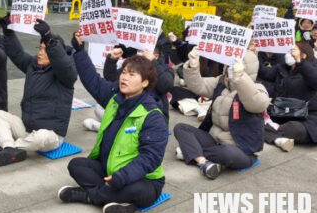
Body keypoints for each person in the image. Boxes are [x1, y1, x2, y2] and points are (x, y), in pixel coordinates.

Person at [59, 32, 167, 213]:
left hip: (143, 180)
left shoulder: (152, 115)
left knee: (138, 189)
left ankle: (89, 196)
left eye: (132, 75)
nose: (124, 77)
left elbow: (150, 158)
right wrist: (79, 50)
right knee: (76, 165)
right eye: (123, 72)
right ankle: (117, 199)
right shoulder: (114, 99)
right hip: (110, 169)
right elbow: (92, 80)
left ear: (145, 82)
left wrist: (122, 177)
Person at [0, 16, 77, 166]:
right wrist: (8, 31)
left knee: (41, 137)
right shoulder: (32, 65)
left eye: (45, 50)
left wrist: (48, 38)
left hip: (51, 135)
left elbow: (63, 65)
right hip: (28, 129)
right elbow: (17, 54)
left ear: (56, 53)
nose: (40, 53)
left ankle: (9, 146)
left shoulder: (66, 75)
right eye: (40, 48)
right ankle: (10, 148)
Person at [173, 47, 270, 179]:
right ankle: (203, 162)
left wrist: (240, 78)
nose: (230, 67)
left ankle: (192, 153)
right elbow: (198, 86)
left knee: (227, 154)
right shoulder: (221, 82)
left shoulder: (257, 88)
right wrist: (192, 66)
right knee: (181, 128)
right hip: (214, 140)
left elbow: (258, 104)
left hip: (240, 148)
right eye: (229, 64)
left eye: (235, 65)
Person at [259, 42, 317, 151]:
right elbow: (264, 73)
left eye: (293, 51)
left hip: (308, 117)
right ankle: (277, 138)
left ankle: (271, 133)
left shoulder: (312, 67)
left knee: (293, 128)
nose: (288, 54)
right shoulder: (282, 68)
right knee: (254, 119)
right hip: (282, 113)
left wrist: (300, 63)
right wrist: (253, 56)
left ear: (304, 54)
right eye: (288, 51)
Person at [102, 44, 174, 123]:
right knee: (102, 108)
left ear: (155, 56)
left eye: (144, 52)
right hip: (129, 111)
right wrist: (112, 59)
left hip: (151, 118)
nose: (140, 55)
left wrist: (153, 62)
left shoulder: (165, 69)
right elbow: (111, 78)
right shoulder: (133, 66)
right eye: (139, 51)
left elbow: (166, 86)